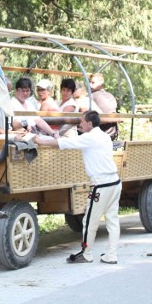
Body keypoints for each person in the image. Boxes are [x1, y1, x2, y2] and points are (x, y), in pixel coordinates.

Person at [32, 110, 121, 265]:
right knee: (112, 220)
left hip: (101, 184)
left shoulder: (89, 138)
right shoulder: (104, 136)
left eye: (82, 121)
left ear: (89, 123)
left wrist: (37, 139)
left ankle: (86, 253)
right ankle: (112, 254)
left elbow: (61, 144)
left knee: (89, 221)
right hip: (114, 181)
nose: (80, 124)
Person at [89, 73, 118, 139]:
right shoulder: (110, 95)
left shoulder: (92, 96)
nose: (90, 85)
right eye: (89, 82)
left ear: (100, 84)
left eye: (93, 83)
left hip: (101, 134)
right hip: (112, 132)